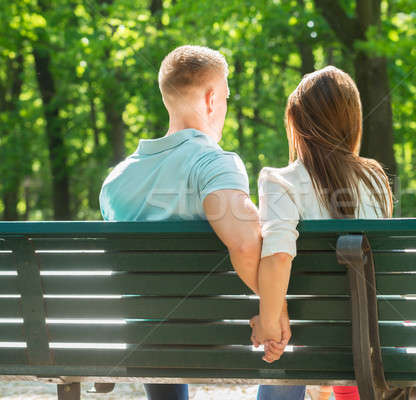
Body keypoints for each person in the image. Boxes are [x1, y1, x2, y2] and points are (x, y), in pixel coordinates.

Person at [99, 45, 288, 400]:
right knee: (293, 338)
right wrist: (273, 311)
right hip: (215, 337)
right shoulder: (212, 164)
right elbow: (247, 242)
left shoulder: (116, 181)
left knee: (156, 327)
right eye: (227, 97)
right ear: (212, 98)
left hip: (143, 344)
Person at [250, 66, 394, 400]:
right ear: (352, 123)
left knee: (286, 351)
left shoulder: (279, 181)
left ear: (297, 123)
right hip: (371, 338)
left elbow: (278, 254)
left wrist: (270, 324)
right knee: (345, 333)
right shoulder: (375, 179)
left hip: (307, 337)